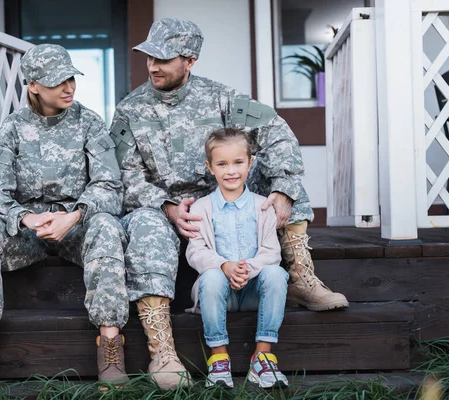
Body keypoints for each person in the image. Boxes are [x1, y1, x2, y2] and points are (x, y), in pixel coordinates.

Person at [110, 18, 348, 388]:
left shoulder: (222, 97)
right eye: (148, 57)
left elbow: (278, 137)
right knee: (143, 224)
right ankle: (163, 351)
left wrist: (283, 191)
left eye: (164, 58)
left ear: (189, 61)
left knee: (283, 183)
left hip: (227, 198)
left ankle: (299, 276)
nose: (153, 66)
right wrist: (167, 207)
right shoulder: (129, 110)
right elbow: (125, 177)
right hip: (169, 210)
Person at [0, 44, 129, 393]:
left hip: (76, 228)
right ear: (33, 85)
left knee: (107, 226)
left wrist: (73, 216)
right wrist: (25, 218)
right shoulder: (15, 127)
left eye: (71, 78)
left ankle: (110, 349)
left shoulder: (89, 122)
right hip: (28, 234)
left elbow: (110, 186)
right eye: (58, 80)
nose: (69, 87)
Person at [185, 128, 289, 389]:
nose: (231, 171)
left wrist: (247, 269)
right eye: (222, 164)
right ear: (210, 167)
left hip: (254, 289)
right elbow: (195, 252)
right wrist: (225, 266)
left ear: (250, 163)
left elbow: (271, 252)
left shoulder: (263, 206)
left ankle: (263, 357)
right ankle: (218, 360)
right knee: (210, 277)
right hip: (219, 292)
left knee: (277, 274)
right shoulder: (200, 208)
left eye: (238, 162)